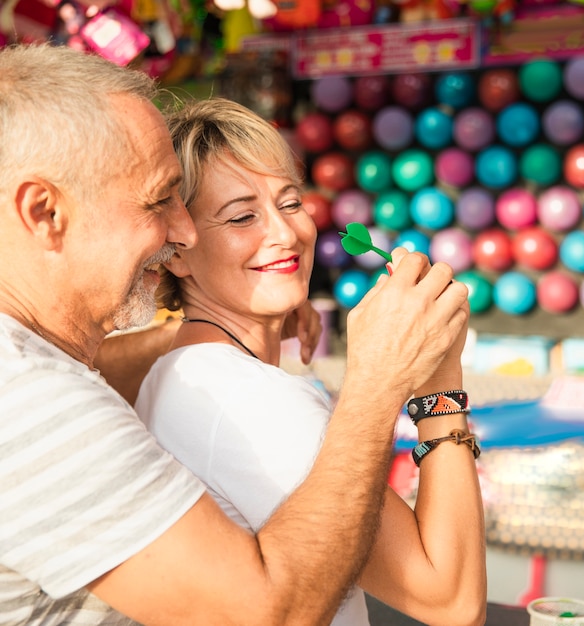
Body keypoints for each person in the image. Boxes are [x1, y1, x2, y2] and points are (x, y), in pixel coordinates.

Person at [0, 43, 477, 625]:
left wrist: (224, 329)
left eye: (291, 201)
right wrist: (410, 381)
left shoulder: (149, 372)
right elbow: (446, 603)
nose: (180, 232)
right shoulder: (34, 398)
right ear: (44, 212)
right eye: (157, 202)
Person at [135, 97, 487, 626]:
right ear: (177, 249)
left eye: (291, 203)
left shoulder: (179, 372)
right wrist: (438, 379)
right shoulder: (251, 398)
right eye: (242, 217)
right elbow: (451, 600)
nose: (285, 234)